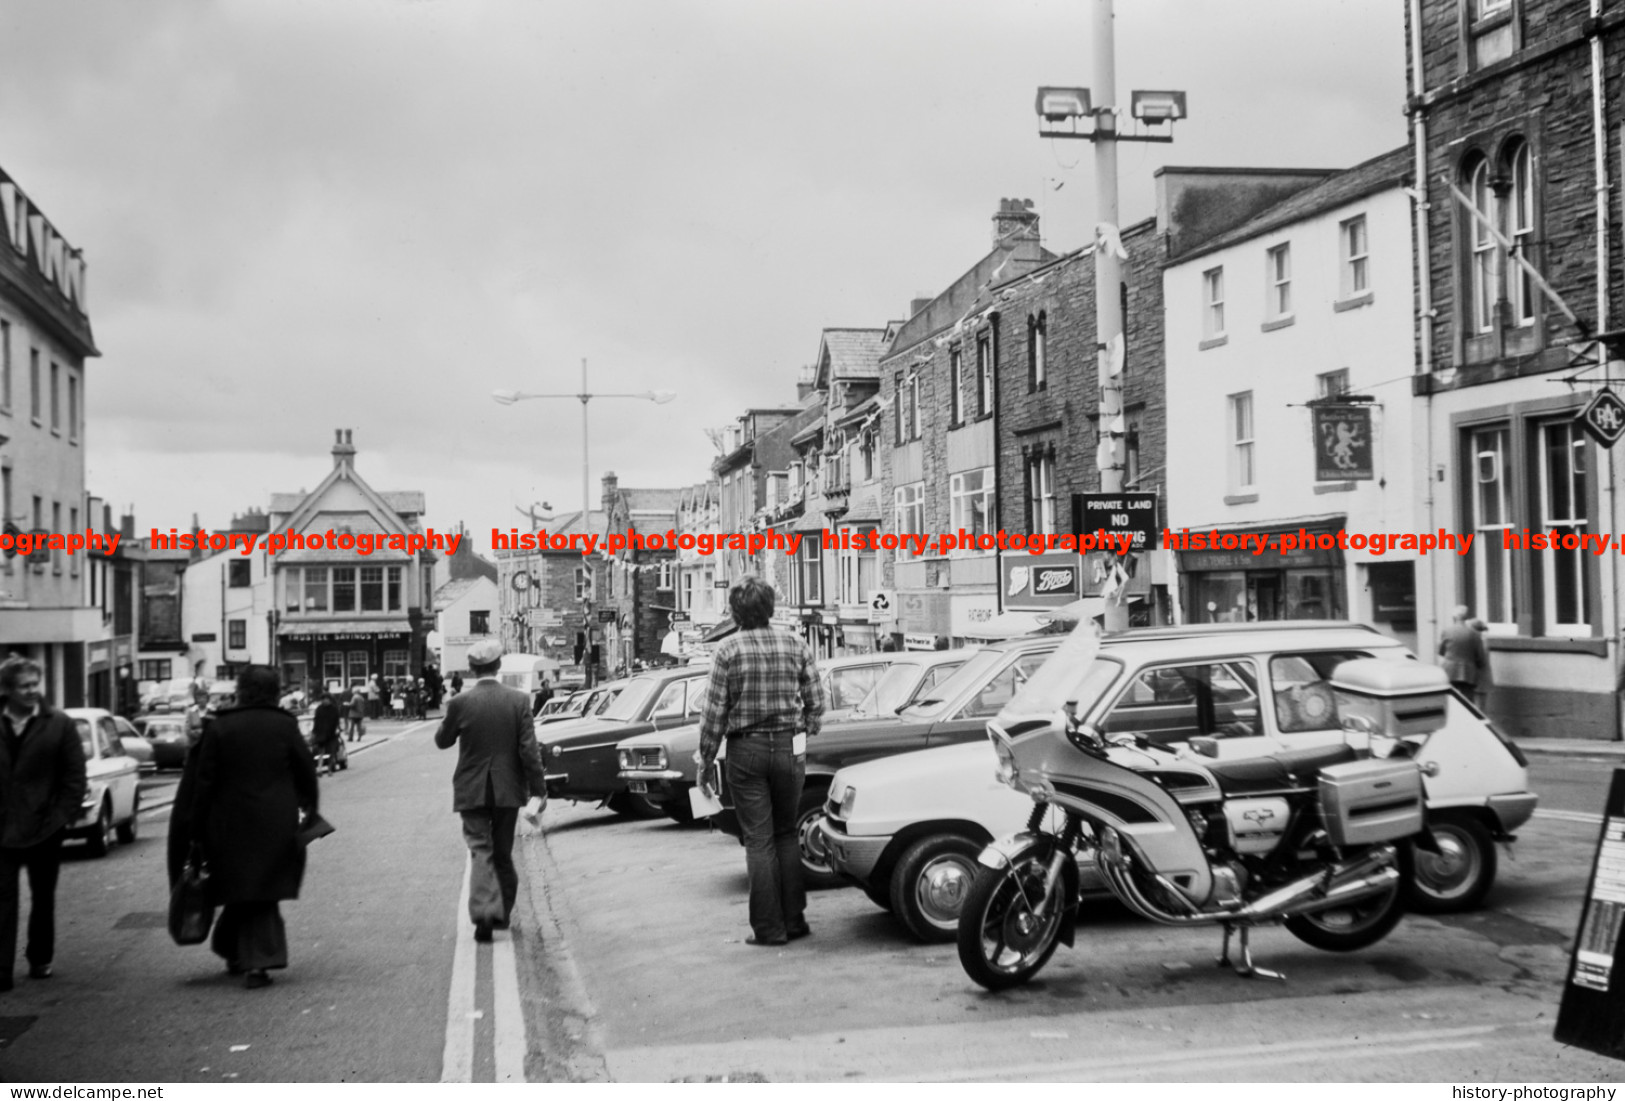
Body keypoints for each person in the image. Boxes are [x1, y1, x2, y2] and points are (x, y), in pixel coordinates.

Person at [168, 665, 318, 990]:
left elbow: (204, 784)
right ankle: (257, 964)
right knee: (263, 890)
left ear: (241, 690)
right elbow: (306, 771)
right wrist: (309, 808)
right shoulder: (284, 725)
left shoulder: (221, 728)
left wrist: (196, 831)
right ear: (274, 691)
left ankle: (234, 949)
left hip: (228, 825)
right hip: (276, 823)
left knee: (244, 886)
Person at [697, 577, 825, 947]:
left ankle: (769, 929)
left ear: (736, 612)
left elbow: (713, 714)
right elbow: (816, 699)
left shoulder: (727, 650)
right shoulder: (794, 642)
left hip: (746, 752)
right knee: (786, 834)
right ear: (769, 607)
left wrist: (705, 763)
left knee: (758, 839)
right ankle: (794, 920)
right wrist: (805, 728)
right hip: (788, 748)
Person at [434, 639, 547, 942]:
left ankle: (485, 912)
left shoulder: (460, 703)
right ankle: (502, 914)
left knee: (480, 850)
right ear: (498, 666)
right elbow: (529, 751)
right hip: (508, 790)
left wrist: (450, 717)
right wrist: (539, 791)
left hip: (471, 790)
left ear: (471, 668)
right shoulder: (518, 701)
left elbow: (442, 741)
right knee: (502, 853)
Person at [0, 657, 87, 990]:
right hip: (3, 828)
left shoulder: (59, 724)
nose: (32, 691)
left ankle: (40, 958)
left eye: (35, 684)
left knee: (42, 896)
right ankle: (2, 969)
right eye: (24, 685)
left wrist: (60, 818)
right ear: (7, 690)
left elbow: (74, 777)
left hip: (44, 827)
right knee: (2, 898)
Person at [1438, 604, 1489, 702]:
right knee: (1468, 700)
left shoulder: (1446, 631)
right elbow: (1481, 657)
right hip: (1468, 671)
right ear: (1466, 617)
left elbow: (1441, 652)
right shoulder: (1474, 634)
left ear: (1454, 617)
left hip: (1450, 670)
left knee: (1450, 699)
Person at [310, 691, 342, 775]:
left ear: (330, 700)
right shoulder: (319, 709)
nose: (325, 701)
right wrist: (314, 732)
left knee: (331, 751)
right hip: (321, 733)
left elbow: (336, 721)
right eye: (323, 699)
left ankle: (330, 769)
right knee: (321, 751)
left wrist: (337, 729)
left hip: (331, 733)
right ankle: (319, 769)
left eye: (326, 699)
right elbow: (316, 721)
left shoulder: (334, 709)